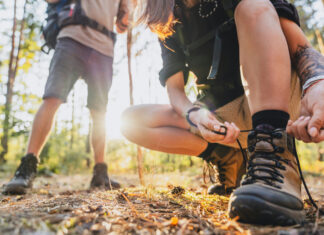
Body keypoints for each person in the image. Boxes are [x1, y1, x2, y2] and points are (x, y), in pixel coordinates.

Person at [121, 0, 324, 226]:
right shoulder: (168, 15)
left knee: (251, 5)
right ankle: (229, 158)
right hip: (225, 116)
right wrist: (194, 115)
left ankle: (275, 156)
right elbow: (175, 91)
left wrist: (316, 84)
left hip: (283, 99)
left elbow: (301, 47)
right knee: (130, 121)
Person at [2, 0, 130, 195]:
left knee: (100, 111)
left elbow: (122, 25)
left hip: (105, 46)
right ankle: (27, 167)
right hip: (73, 37)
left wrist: (126, 13)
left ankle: (100, 173)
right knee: (52, 98)